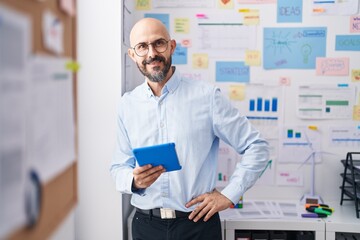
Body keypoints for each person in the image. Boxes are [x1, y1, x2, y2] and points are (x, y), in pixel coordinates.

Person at [110, 18, 269, 240]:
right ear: (132, 55)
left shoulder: (207, 97)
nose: (151, 53)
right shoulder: (127, 105)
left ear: (172, 46)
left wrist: (229, 195)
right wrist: (133, 181)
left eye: (159, 43)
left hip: (197, 226)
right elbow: (118, 167)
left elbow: (257, 146)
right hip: (145, 226)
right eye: (142, 47)